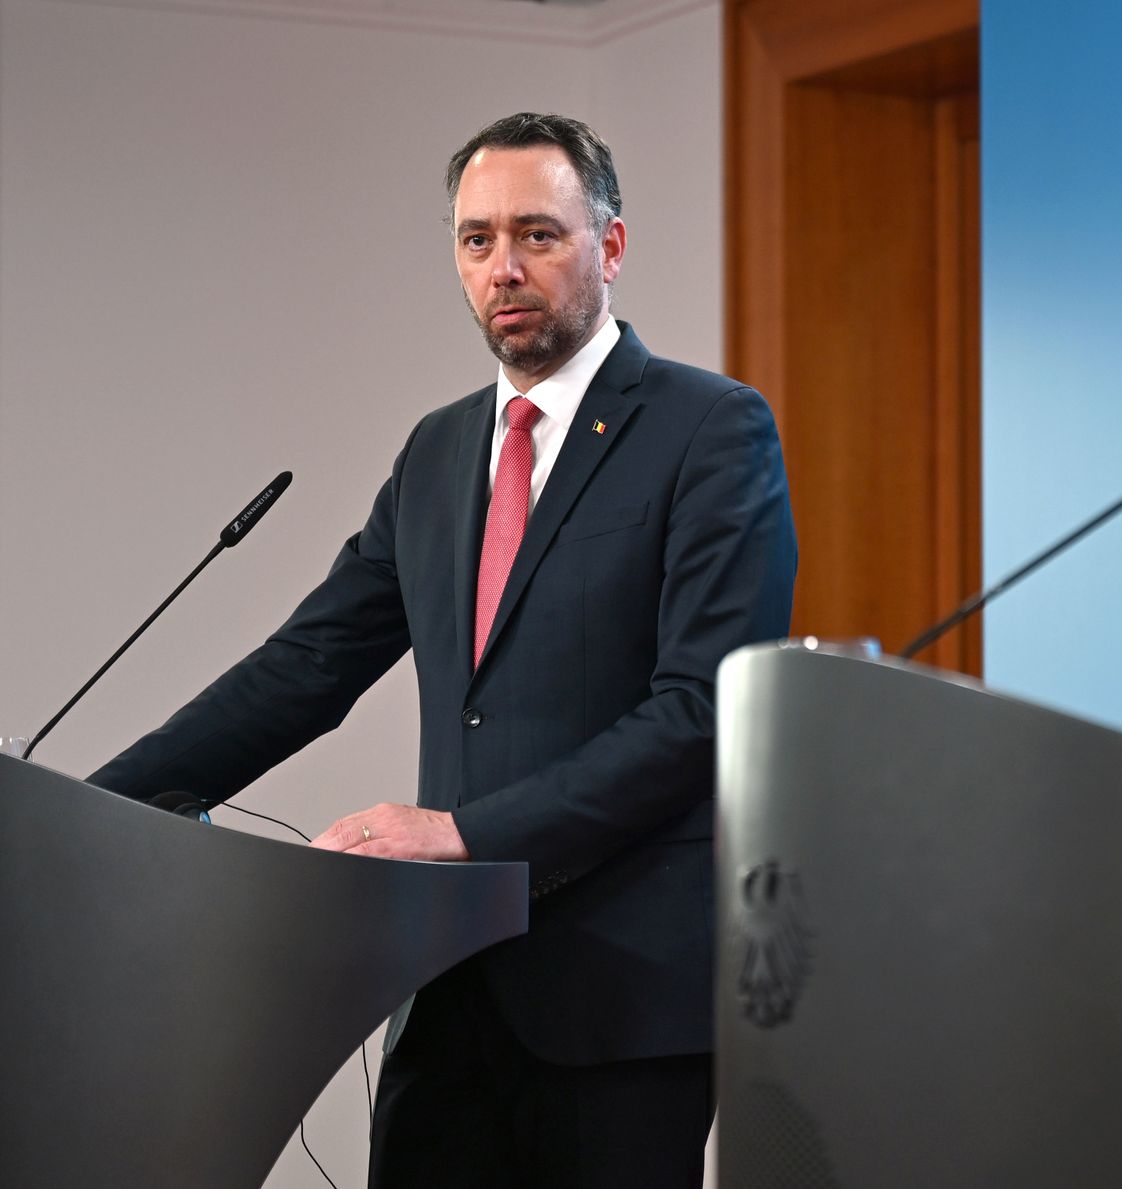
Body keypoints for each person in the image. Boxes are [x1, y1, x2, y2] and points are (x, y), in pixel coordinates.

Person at [90, 112, 798, 1187]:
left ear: (609, 246)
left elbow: (703, 713)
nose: (503, 267)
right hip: (446, 989)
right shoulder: (438, 450)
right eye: (477, 239)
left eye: (537, 234)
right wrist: (93, 811)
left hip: (620, 1007)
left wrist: (463, 833)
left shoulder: (710, 430)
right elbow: (305, 667)